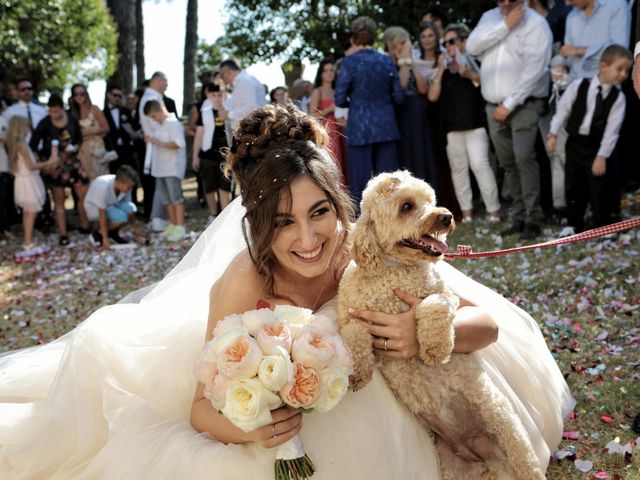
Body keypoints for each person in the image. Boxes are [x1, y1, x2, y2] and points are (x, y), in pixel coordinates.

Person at [0, 104, 573, 478]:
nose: (307, 239)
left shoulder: (365, 248)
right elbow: (203, 407)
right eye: (282, 221)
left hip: (393, 397)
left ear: (341, 207)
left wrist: (415, 332)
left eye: (320, 212)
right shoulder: (246, 280)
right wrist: (242, 421)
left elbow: (487, 326)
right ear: (256, 224)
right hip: (296, 429)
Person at [466, 0, 552, 240]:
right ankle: (519, 215)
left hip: (523, 104)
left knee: (524, 157)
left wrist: (509, 104)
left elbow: (535, 70)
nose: (504, 3)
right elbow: (472, 47)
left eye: (510, 0)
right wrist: (505, 26)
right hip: (493, 106)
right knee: (508, 162)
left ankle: (534, 218)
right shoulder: (490, 17)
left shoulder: (536, 24)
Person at [546, 44, 632, 233]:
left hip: (597, 147)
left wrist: (602, 156)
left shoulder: (618, 98)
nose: (623, 74)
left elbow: (612, 131)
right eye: (619, 69)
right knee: (573, 183)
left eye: (627, 70)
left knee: (598, 187)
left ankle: (601, 224)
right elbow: (562, 112)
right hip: (575, 143)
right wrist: (553, 134)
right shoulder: (578, 86)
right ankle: (573, 223)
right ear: (603, 66)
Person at [429, 24, 501, 223]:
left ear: (463, 42)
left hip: (475, 125)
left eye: (451, 41)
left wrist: (468, 73)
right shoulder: (443, 69)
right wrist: (441, 70)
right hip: (452, 129)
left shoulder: (474, 61)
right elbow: (432, 96)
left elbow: (486, 83)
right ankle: (467, 214)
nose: (448, 46)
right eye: (445, 43)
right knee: (459, 170)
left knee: (480, 165)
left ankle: (493, 212)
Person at [335, 16, 404, 206]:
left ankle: (360, 227)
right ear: (374, 37)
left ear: (353, 38)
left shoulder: (349, 62)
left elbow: (339, 97)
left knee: (360, 181)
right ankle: (393, 227)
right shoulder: (386, 61)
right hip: (386, 125)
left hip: (359, 126)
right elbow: (398, 96)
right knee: (390, 183)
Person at [30, 94, 89, 245]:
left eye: (56, 111)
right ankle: (63, 233)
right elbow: (34, 145)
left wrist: (74, 148)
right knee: (59, 199)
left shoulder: (72, 119)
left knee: (83, 195)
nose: (53, 115)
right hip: (54, 165)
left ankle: (85, 226)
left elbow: (79, 139)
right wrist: (45, 162)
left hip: (73, 162)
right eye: (51, 111)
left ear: (62, 109)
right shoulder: (45, 123)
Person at [383, 26, 436, 187]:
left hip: (417, 112)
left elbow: (422, 89)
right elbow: (401, 87)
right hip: (400, 114)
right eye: (401, 43)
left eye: (405, 43)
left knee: (421, 152)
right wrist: (404, 63)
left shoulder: (412, 61)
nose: (404, 47)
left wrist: (411, 61)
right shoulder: (386, 63)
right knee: (406, 155)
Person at [6, 116, 58, 251]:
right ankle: (28, 241)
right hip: (28, 181)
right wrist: (48, 162)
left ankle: (27, 240)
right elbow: (31, 166)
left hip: (23, 180)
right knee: (31, 212)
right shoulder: (22, 145)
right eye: (26, 126)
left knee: (27, 212)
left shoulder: (16, 144)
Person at [143, 99, 187, 242]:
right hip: (160, 169)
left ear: (161, 110)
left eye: (154, 116)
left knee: (176, 198)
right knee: (167, 199)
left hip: (172, 168)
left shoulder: (173, 123)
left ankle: (180, 226)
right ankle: (173, 224)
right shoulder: (160, 125)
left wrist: (156, 142)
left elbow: (178, 143)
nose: (153, 119)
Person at [561, 0, 631, 81]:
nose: (567, 3)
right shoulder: (572, 15)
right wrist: (561, 66)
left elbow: (620, 53)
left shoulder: (617, 6)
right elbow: (568, 54)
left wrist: (581, 50)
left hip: (604, 88)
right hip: (573, 86)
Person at [192, 83, 232, 223]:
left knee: (224, 187)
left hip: (226, 155)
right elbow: (199, 135)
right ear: (209, 96)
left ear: (224, 95)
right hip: (207, 154)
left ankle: (225, 217)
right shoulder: (205, 112)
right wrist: (195, 157)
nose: (217, 98)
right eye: (213, 95)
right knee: (209, 187)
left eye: (220, 95)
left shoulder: (231, 111)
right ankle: (214, 215)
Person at [139, 72, 171, 232]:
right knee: (161, 181)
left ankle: (161, 216)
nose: (167, 86)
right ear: (157, 81)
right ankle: (158, 217)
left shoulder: (149, 96)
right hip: (159, 144)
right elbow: (158, 124)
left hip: (158, 143)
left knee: (161, 181)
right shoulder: (152, 98)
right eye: (165, 82)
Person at [84, 165, 142, 249]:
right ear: (119, 182)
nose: (130, 189)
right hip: (94, 207)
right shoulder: (102, 186)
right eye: (128, 187)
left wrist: (136, 227)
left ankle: (113, 233)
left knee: (131, 208)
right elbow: (102, 212)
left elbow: (129, 208)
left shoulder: (125, 187)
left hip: (112, 204)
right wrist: (105, 238)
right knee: (121, 217)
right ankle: (98, 234)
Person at [309, 58, 345, 182]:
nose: (329, 73)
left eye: (331, 70)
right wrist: (329, 109)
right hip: (327, 132)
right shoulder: (317, 91)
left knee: (344, 164)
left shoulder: (338, 90)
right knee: (333, 164)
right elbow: (312, 116)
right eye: (326, 70)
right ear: (321, 73)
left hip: (342, 130)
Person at [70, 83, 113, 180]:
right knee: (88, 179)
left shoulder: (94, 109)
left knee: (102, 178)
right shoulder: (72, 113)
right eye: (76, 94)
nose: (79, 97)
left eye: (82, 94)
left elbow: (106, 128)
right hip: (83, 151)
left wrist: (87, 132)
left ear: (86, 95)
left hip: (97, 149)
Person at [218, 59, 266, 131]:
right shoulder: (242, 81)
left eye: (221, 75)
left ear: (229, 72)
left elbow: (251, 108)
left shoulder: (244, 81)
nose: (220, 78)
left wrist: (228, 115)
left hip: (252, 132)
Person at [103, 84, 135, 174]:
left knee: (129, 174)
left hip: (126, 150)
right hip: (111, 150)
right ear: (108, 95)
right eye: (115, 95)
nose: (117, 98)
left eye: (119, 96)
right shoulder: (103, 113)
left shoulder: (126, 111)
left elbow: (131, 130)